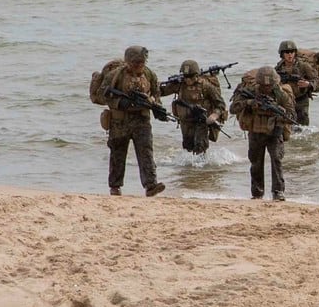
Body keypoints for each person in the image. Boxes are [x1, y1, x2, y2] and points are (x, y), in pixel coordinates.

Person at [93, 45, 168, 197]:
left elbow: (156, 93)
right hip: (120, 121)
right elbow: (102, 95)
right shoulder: (115, 76)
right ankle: (115, 186)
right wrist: (119, 103)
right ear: (128, 61)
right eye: (135, 63)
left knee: (146, 151)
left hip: (142, 119)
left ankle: (150, 185)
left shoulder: (149, 74)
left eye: (142, 62)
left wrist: (156, 105)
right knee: (118, 153)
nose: (139, 66)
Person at [231, 64, 295, 201]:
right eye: (263, 86)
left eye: (269, 86)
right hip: (255, 132)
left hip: (274, 132)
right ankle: (257, 193)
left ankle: (278, 192)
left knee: (276, 160)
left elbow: (292, 116)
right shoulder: (250, 91)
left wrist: (279, 111)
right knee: (256, 162)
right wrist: (249, 102)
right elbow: (233, 108)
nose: (266, 89)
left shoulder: (281, 95)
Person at [168, 59, 227, 154]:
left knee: (200, 147)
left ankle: (201, 168)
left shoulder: (206, 86)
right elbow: (161, 91)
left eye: (190, 77)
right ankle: (190, 169)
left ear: (196, 75)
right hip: (186, 122)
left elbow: (220, 104)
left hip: (202, 121)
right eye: (185, 77)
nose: (188, 80)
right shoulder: (179, 85)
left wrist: (214, 115)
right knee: (188, 147)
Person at [276, 40, 319, 127]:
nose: (290, 54)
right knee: (286, 126)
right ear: (282, 54)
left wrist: (308, 84)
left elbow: (317, 80)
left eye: (292, 52)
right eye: (287, 52)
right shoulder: (278, 69)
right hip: (286, 101)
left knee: (303, 127)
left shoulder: (303, 66)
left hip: (301, 100)